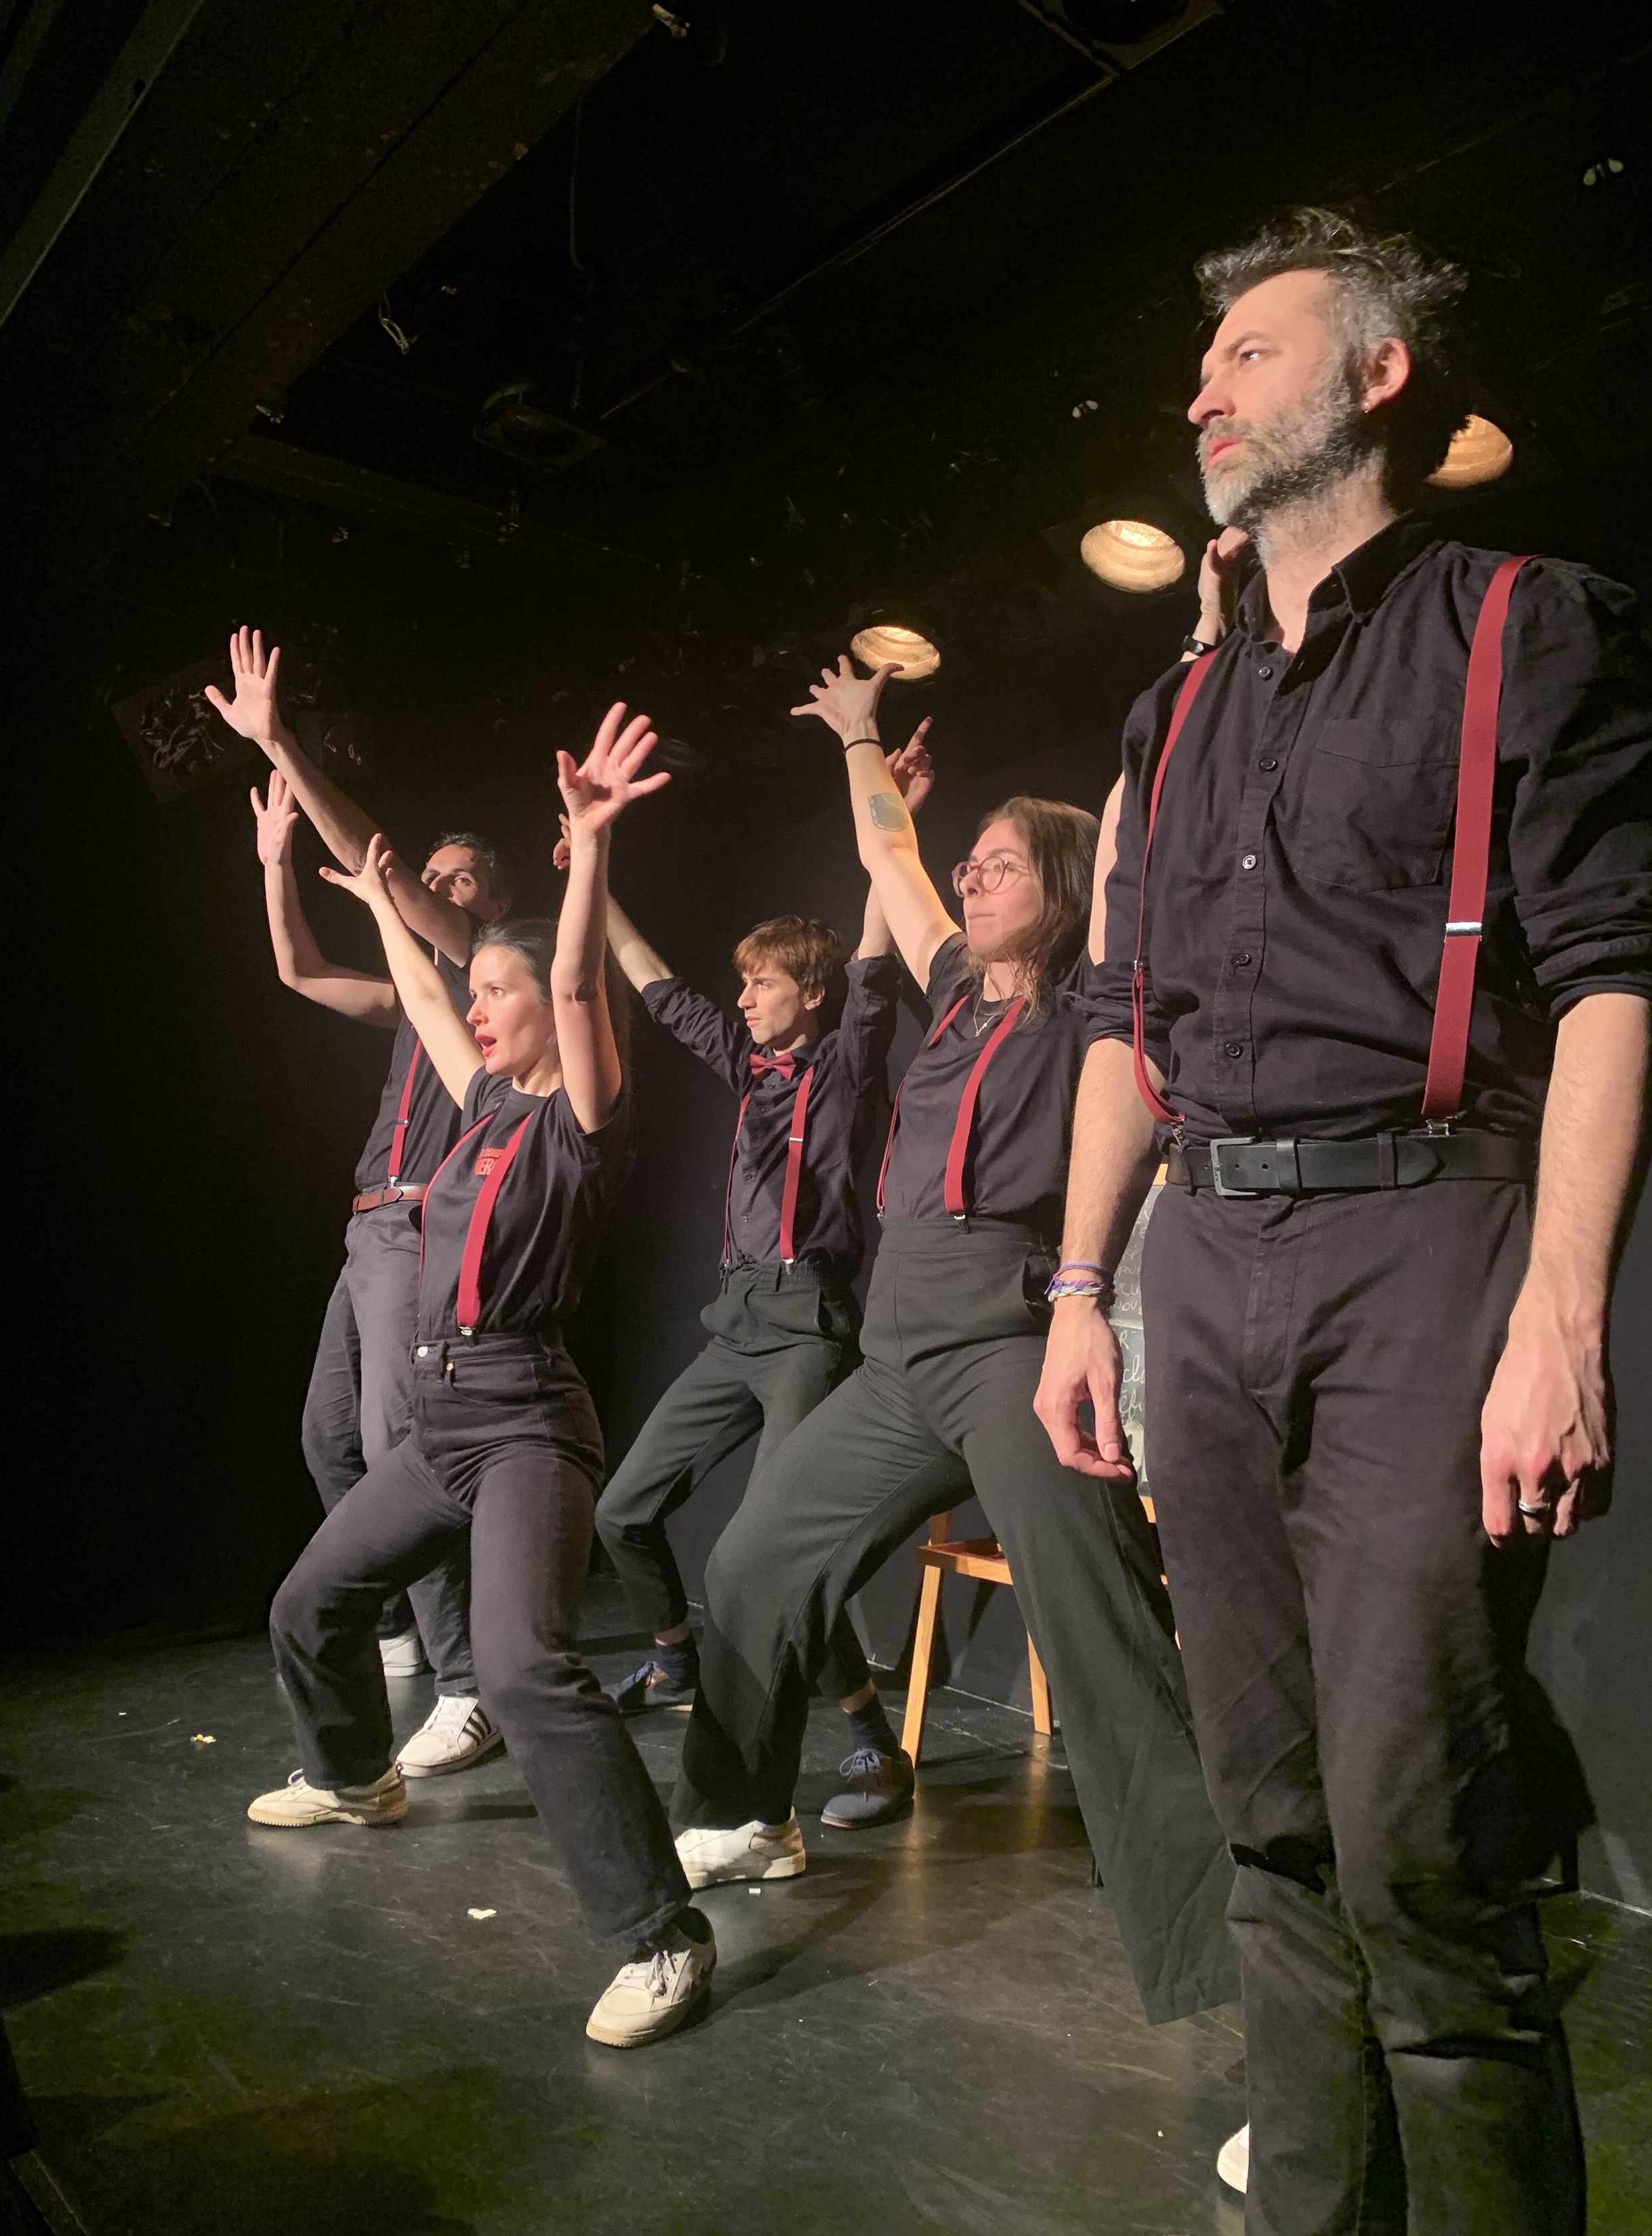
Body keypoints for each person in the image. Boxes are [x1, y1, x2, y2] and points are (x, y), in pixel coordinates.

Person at [1035, 205, 1651, 2233]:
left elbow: (1609, 970)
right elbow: (1130, 1022)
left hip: (1421, 1241)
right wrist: (1074, 1290)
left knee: (1413, 1838)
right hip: (1198, 1259)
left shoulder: (1520, 618)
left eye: (1249, 352)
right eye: (1199, 362)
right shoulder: (1174, 709)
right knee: (1266, 1824)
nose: (1199, 388)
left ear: (1374, 377)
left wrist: (1563, 1315)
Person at [669, 660, 1239, 2028]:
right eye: (968, 862)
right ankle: (748, 1809)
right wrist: (860, 734)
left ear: (1065, 886)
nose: (971, 879)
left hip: (1009, 1342)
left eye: (999, 865)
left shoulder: (1095, 994)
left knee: (1100, 1637)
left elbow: (1129, 818)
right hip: (896, 1352)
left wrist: (1194, 658)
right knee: (750, 1560)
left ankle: (1235, 1987)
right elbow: (885, 843)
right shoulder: (949, 984)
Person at [246, 702, 718, 2047]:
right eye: (482, 994)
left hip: (524, 1420)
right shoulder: (476, 1104)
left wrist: (585, 852)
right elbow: (419, 987)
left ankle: (660, 1934)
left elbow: (573, 987)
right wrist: (371, 903)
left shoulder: (582, 1121)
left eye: (495, 990)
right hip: (440, 1418)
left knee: (521, 1669)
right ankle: (354, 1775)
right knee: (310, 1599)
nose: (483, 1005)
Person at [586, 748, 928, 1813]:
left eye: (762, 980)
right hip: (734, 1322)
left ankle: (872, 1739)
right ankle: (675, 1652)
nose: (743, 996)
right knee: (622, 1513)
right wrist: (589, 874)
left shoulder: (848, 1056)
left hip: (808, 1324)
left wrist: (891, 830)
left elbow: (876, 948)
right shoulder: (749, 1065)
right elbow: (654, 983)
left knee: (780, 1543)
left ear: (811, 993)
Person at [216, 625, 503, 1780]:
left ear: (483, 909)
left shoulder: (476, 969)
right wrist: (277, 865)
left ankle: (468, 1682)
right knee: (328, 1436)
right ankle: (388, 1619)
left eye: (458, 879)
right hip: (365, 1225)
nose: (436, 886)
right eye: (432, 873)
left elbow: (384, 870)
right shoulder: (406, 1001)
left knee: (398, 1447)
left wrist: (283, 741)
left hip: (423, 1229)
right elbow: (296, 968)